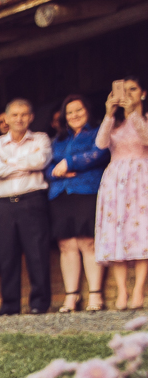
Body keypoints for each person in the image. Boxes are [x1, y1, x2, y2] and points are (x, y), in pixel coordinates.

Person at [0, 98, 53, 315]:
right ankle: (9, 305)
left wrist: (9, 165)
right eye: (14, 115)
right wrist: (25, 164)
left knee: (37, 253)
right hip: (4, 205)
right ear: (6, 118)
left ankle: (39, 303)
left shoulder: (41, 139)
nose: (19, 119)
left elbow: (40, 162)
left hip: (32, 201)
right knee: (7, 256)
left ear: (31, 117)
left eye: (24, 114)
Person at [49, 95, 109, 312]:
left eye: (79, 110)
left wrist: (70, 162)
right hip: (61, 194)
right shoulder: (59, 140)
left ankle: (95, 295)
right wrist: (56, 172)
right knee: (66, 245)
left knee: (87, 242)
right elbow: (48, 167)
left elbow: (100, 153)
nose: (74, 115)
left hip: (87, 189)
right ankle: (71, 296)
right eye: (70, 112)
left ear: (88, 111)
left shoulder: (97, 132)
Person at [95, 77, 148, 310]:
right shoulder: (114, 123)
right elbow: (100, 144)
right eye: (122, 90)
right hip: (116, 180)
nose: (127, 94)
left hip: (141, 176)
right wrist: (109, 114)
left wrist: (133, 115)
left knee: (140, 232)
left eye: (132, 90)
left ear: (143, 94)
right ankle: (122, 292)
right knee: (117, 234)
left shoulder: (144, 119)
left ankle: (138, 291)